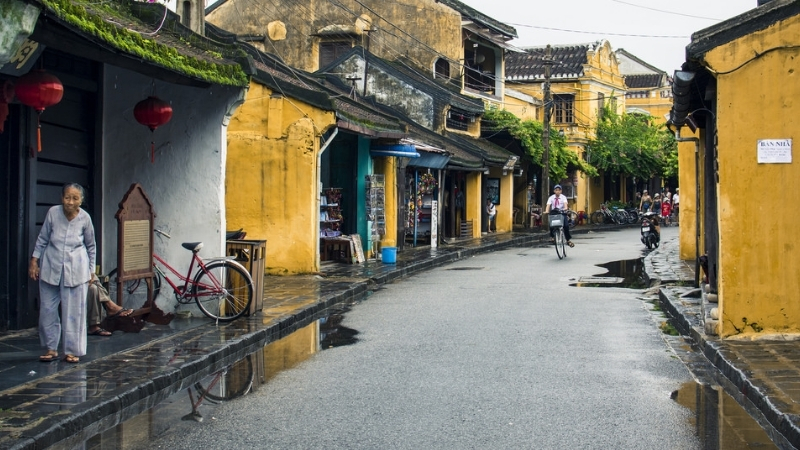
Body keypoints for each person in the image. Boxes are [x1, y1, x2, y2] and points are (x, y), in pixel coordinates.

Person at [29, 183, 96, 363]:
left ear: (81, 200)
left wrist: (91, 271)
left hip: (76, 269)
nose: (70, 202)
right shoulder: (53, 213)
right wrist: (34, 261)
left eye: (75, 198)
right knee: (47, 310)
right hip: (51, 266)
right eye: (67, 197)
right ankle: (51, 348)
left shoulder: (85, 219)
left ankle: (71, 350)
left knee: (74, 313)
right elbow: (42, 238)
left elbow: (91, 246)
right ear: (62, 198)